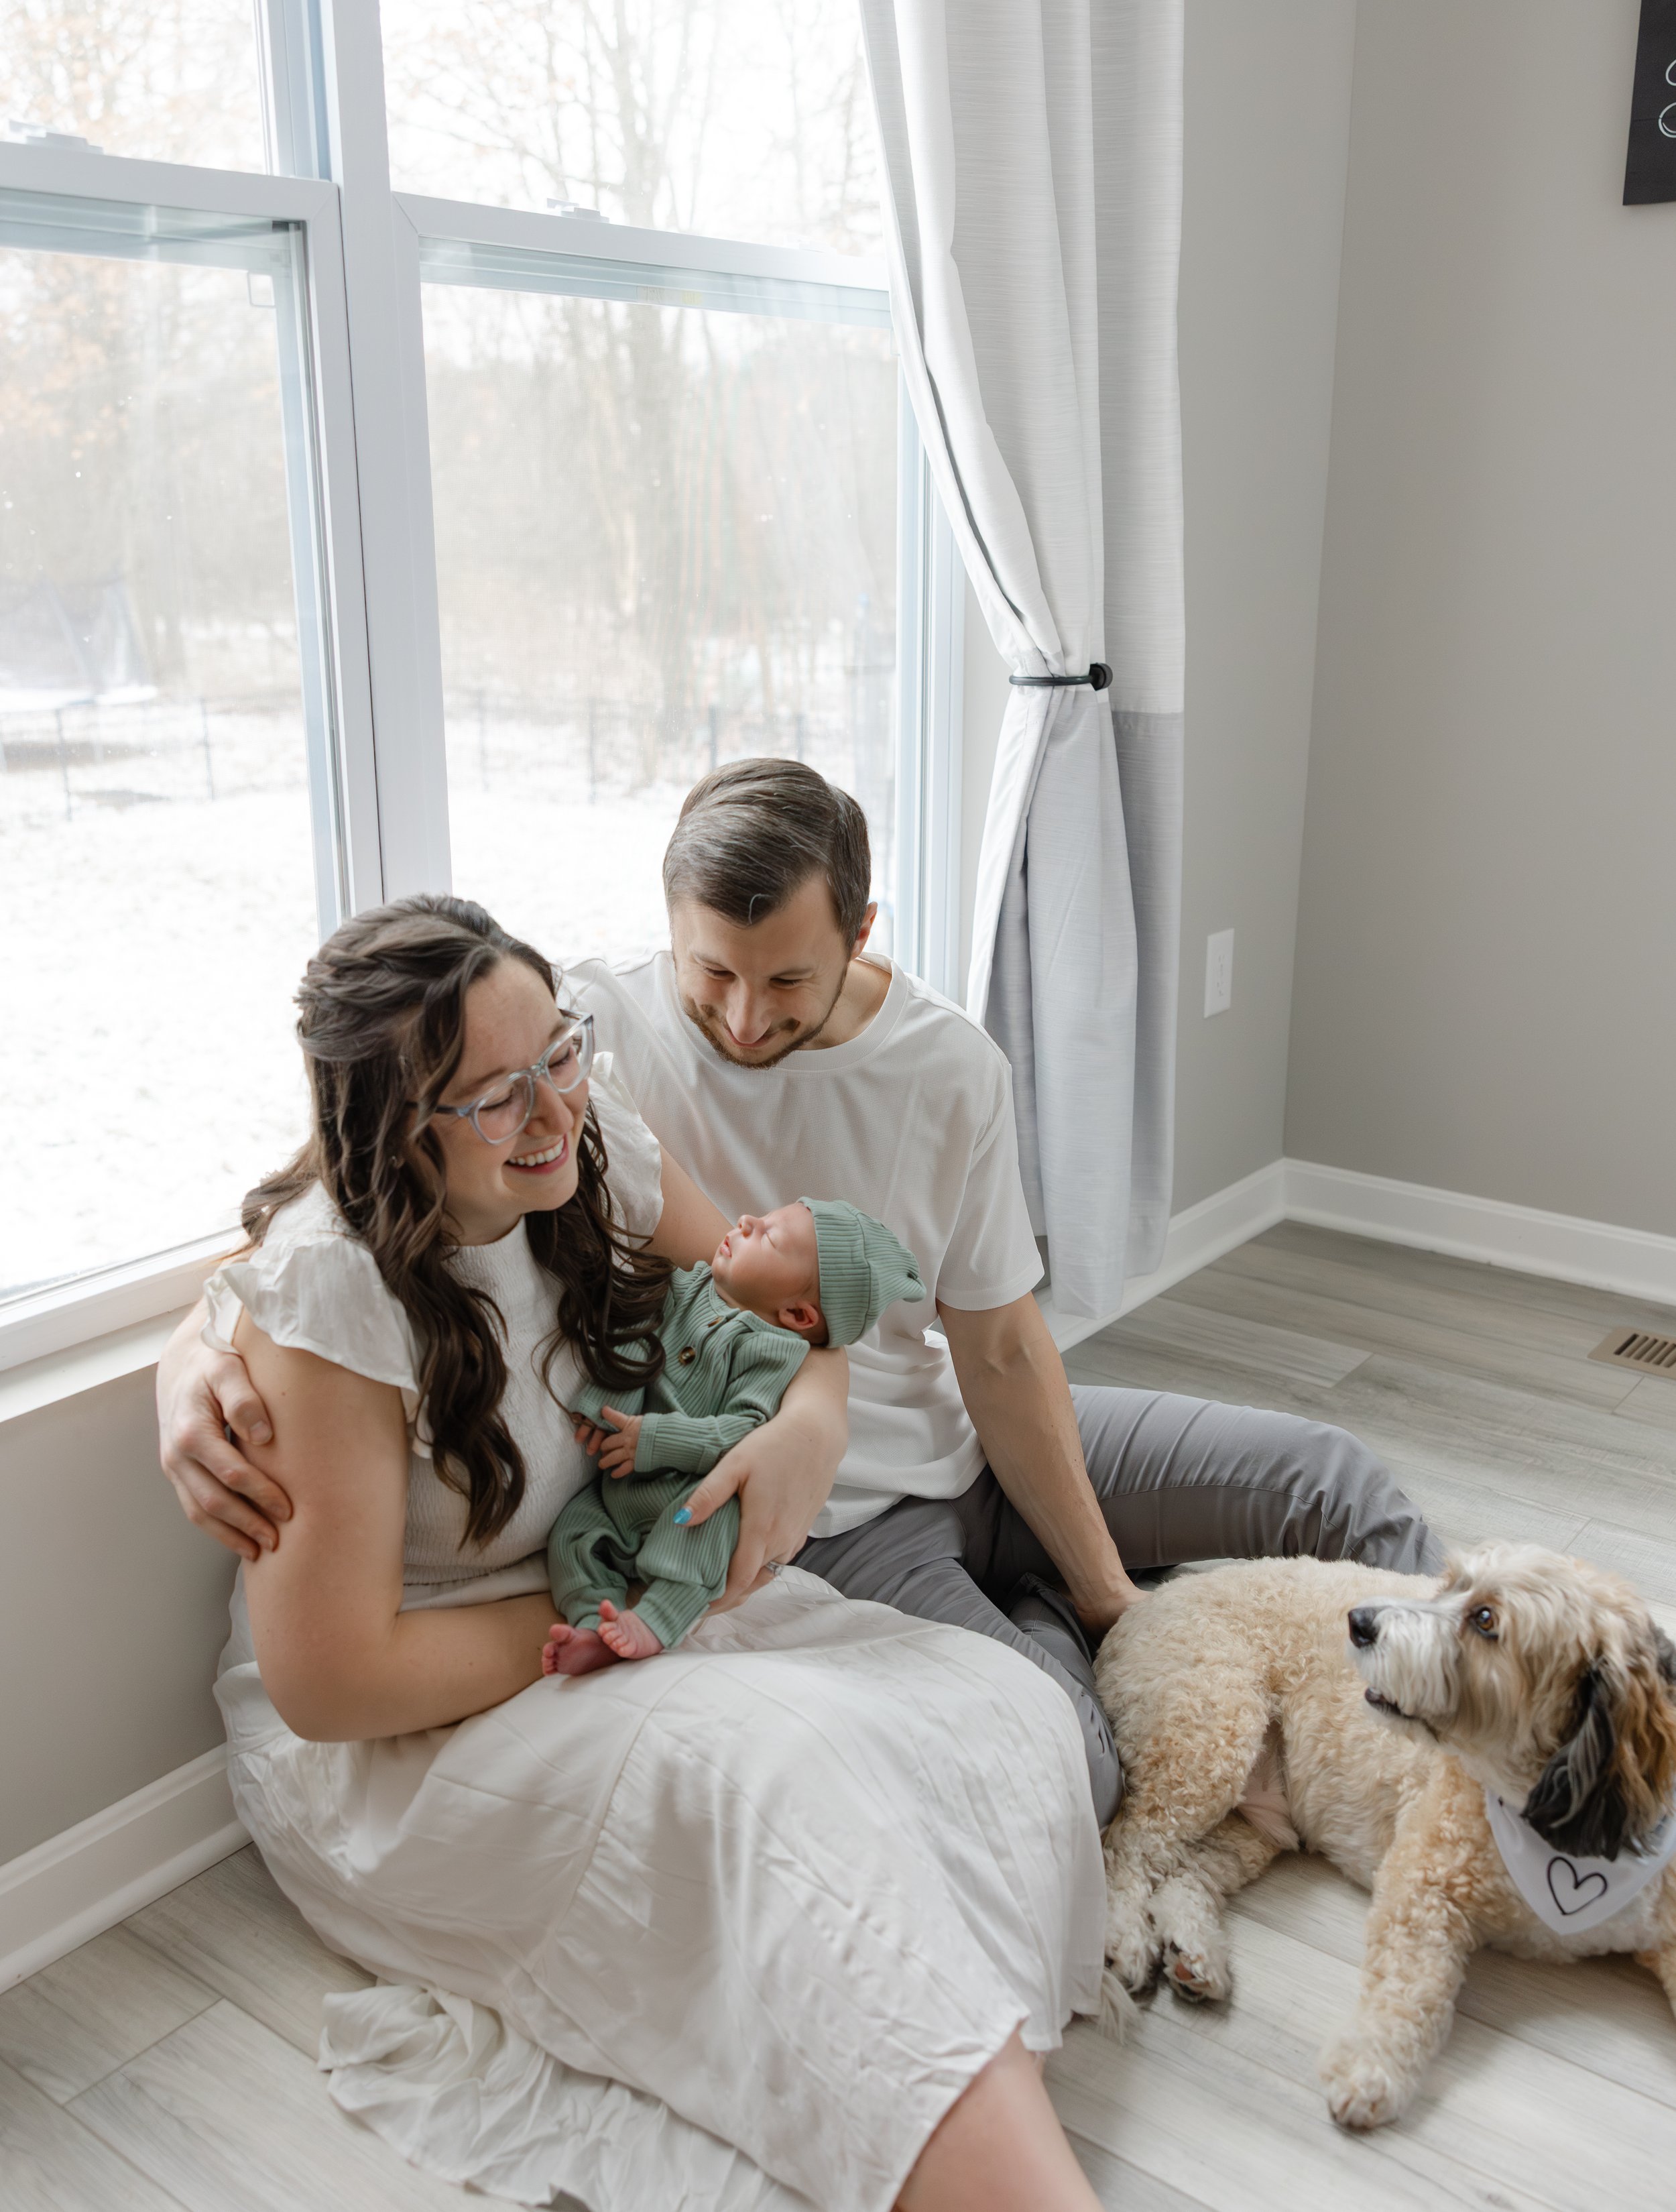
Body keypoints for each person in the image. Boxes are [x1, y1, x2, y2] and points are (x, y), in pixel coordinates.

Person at [158, 761, 1443, 1828]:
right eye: (709, 971)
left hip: (956, 1433)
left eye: (784, 979)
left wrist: (1107, 1590)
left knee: (1329, 1477)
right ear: (667, 929)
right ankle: (1099, 1642)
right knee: (1077, 1748)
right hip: (833, 1526)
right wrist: (191, 1357)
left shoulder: (949, 1068)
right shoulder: (582, 1032)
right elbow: (344, 1189)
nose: (741, 1014)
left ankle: (1504, 1699)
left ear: (860, 934)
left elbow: (997, 1353)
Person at [189, 892, 1108, 2212]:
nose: (554, 1109)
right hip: (415, 1716)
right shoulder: (333, 1292)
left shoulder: (588, 1138)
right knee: (776, 1783)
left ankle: (926, 2067)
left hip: (604, 1579)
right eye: (497, 1095)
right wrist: (613, 1610)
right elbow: (330, 1681)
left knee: (992, 1706)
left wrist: (810, 1415)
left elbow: (781, 1297)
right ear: (400, 1126)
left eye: (557, 1052)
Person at [545, 1196, 924, 1671]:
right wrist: (606, 1408)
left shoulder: (773, 1352)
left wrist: (655, 1438)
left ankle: (657, 1620)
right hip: (619, 1491)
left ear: (799, 1316)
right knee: (572, 1534)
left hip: (687, 1495)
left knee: (717, 1524)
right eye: (760, 1219)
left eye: (768, 1235)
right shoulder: (683, 1287)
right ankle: (592, 1619)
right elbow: (636, 1338)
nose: (746, 1221)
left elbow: (743, 1433)